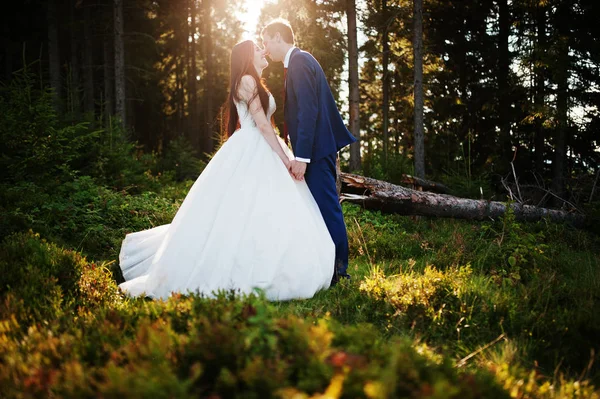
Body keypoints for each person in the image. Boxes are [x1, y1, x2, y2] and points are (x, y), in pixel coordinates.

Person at [117, 40, 334, 301]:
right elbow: (263, 126)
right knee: (244, 210)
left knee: (264, 210)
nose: (263, 51)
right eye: (257, 48)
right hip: (256, 146)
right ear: (246, 56)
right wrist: (284, 157)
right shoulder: (246, 80)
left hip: (262, 146)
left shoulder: (254, 80)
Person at [261, 19, 357, 284]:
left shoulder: (300, 62)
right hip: (317, 149)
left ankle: (339, 270)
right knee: (320, 207)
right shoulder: (300, 62)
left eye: (266, 41)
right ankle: (329, 266)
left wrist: (302, 156)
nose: (265, 48)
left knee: (327, 207)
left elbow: (308, 110)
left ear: (279, 37)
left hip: (314, 151)